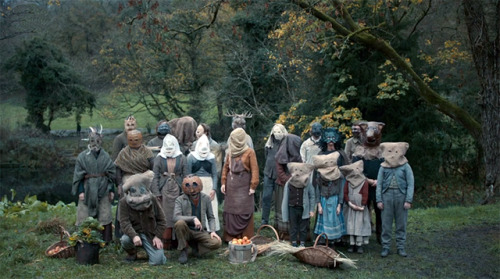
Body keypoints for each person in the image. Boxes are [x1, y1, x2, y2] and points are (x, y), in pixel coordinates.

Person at [72, 126, 115, 243]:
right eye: (92, 141)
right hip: (87, 188)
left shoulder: (106, 156)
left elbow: (111, 174)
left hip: (103, 187)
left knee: (105, 212)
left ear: (101, 141)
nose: (94, 144)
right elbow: (78, 175)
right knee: (83, 213)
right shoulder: (82, 157)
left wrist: (112, 190)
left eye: (97, 141)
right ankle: (83, 240)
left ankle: (104, 241)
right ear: (88, 141)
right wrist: (80, 190)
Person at [118, 172, 167, 265]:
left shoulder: (152, 199)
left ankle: (153, 251)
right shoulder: (124, 202)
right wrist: (134, 236)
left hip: (150, 235)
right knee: (125, 240)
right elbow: (124, 222)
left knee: (158, 261)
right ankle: (132, 253)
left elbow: (162, 220)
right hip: (134, 233)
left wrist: (158, 236)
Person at [114, 129, 155, 238]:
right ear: (127, 140)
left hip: (144, 179)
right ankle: (124, 233)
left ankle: (148, 231)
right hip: (127, 180)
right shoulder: (123, 153)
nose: (134, 142)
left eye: (136, 139)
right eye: (131, 140)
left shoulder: (147, 151)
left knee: (148, 204)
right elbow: (118, 169)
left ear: (141, 139)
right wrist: (119, 185)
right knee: (125, 205)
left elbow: (153, 167)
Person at [376, 142, 414, 258]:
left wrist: (408, 200)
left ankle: (400, 247)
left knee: (401, 223)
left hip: (401, 196)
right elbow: (379, 184)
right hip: (386, 196)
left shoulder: (405, 166)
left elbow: (411, 183)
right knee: (386, 224)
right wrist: (379, 200)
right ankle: (385, 247)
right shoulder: (383, 167)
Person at [173, 175, 222, 264]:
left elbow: (211, 217)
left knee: (217, 242)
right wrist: (193, 218)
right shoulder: (179, 199)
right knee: (179, 223)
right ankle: (183, 250)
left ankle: (197, 248)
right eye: (190, 192)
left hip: (200, 231)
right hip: (187, 230)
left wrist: (213, 231)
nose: (192, 192)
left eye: (195, 192)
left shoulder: (206, 198)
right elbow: (176, 217)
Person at [221, 128, 259, 242]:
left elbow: (255, 170)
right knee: (231, 210)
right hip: (231, 186)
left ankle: (245, 237)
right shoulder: (230, 151)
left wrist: (253, 186)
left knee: (244, 210)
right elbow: (225, 168)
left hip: (244, 187)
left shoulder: (249, 152)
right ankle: (231, 238)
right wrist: (223, 183)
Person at [151, 134, 187, 249]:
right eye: (167, 147)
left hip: (178, 190)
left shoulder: (182, 158)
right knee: (165, 215)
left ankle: (177, 241)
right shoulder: (159, 158)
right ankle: (166, 242)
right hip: (164, 191)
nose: (169, 150)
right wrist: (156, 192)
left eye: (171, 147)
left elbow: (186, 175)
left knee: (178, 214)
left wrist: (185, 190)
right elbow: (155, 176)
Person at [352, 121, 385, 244]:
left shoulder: (383, 151)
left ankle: (380, 235)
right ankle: (361, 235)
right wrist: (369, 181)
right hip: (363, 185)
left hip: (379, 186)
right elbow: (356, 169)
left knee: (380, 211)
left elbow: (387, 167)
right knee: (362, 210)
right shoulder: (359, 151)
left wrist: (379, 181)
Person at [312, 151, 346, 247]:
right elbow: (317, 191)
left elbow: (341, 191)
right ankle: (324, 240)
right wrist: (319, 205)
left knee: (334, 220)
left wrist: (339, 204)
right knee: (325, 220)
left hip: (334, 200)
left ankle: (333, 241)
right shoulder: (320, 176)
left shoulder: (339, 176)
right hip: (323, 201)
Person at [187, 134, 220, 232]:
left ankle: (212, 230)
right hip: (195, 183)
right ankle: (198, 230)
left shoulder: (211, 157)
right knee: (197, 206)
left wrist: (214, 189)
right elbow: (188, 174)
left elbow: (214, 174)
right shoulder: (191, 157)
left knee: (211, 207)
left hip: (208, 183)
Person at [274, 133, 302, 239]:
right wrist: (288, 180)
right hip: (283, 185)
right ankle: (283, 232)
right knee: (283, 208)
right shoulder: (281, 154)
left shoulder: (298, 155)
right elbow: (280, 172)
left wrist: (296, 179)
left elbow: (301, 167)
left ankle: (296, 231)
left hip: (296, 185)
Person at [281, 162, 315, 248]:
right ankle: (294, 242)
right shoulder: (289, 183)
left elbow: (312, 196)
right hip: (292, 207)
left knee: (303, 227)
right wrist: (285, 211)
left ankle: (302, 243)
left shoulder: (307, 183)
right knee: (293, 226)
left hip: (304, 209)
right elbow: (285, 198)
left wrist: (311, 210)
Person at [340, 160, 371, 254]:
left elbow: (365, 194)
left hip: (360, 208)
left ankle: (359, 244)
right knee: (350, 224)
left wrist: (362, 205)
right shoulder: (348, 181)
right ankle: (351, 243)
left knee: (359, 224)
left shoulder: (364, 182)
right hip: (350, 207)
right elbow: (345, 193)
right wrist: (349, 202)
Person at [261, 123, 287, 226]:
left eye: (279, 132)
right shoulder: (269, 144)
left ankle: (280, 222)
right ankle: (264, 221)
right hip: (268, 174)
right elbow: (266, 156)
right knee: (266, 197)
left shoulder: (286, 144)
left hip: (280, 175)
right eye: (275, 132)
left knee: (280, 199)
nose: (277, 134)